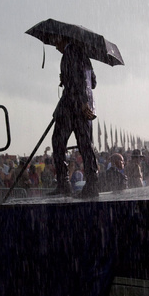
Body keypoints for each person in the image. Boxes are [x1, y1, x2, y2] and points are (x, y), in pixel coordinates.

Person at [51, 37, 99, 198]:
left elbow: (79, 80)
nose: (55, 46)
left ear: (63, 40)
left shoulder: (70, 51)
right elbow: (93, 82)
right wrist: (65, 79)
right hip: (82, 106)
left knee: (58, 142)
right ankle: (92, 183)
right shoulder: (84, 55)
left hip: (73, 106)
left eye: (56, 42)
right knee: (85, 144)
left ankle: (64, 183)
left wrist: (81, 100)